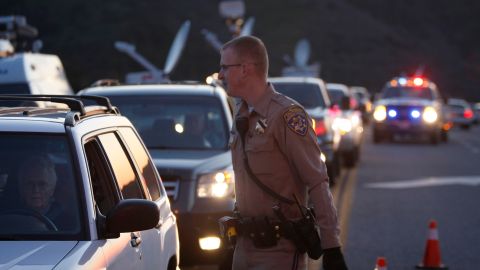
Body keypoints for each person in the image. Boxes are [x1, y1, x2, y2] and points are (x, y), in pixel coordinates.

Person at [218, 36, 348, 269]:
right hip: (244, 247)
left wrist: (332, 247)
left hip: (279, 251)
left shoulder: (287, 116)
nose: (220, 75)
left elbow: (317, 181)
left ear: (245, 69)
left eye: (225, 67)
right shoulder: (242, 116)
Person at [17, 154, 72, 230]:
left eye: (42, 184)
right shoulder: (9, 219)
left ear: (52, 189)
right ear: (22, 188)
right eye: (30, 184)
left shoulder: (69, 223)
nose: (36, 190)